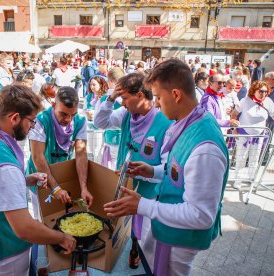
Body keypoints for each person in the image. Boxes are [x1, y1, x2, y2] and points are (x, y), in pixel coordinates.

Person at [103, 58, 229, 276]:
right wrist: (152, 170)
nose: (157, 104)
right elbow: (178, 170)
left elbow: (200, 215)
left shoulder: (205, 148)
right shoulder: (190, 121)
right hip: (168, 225)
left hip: (181, 238)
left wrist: (142, 206)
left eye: (159, 97)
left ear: (176, 95)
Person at [0, 84, 76, 275]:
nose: (32, 126)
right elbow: (24, 228)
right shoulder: (5, 168)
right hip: (7, 248)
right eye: (31, 121)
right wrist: (61, 238)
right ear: (15, 118)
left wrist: (23, 180)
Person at [94, 72, 172, 254]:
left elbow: (167, 169)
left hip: (146, 198)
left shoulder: (165, 124)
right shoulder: (126, 114)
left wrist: (148, 172)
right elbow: (100, 122)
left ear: (140, 96)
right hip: (122, 192)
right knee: (120, 241)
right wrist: (111, 98)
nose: (122, 102)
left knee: (140, 247)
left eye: (124, 98)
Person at [27, 86, 92, 272]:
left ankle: (62, 255)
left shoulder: (80, 120)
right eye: (63, 114)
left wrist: (84, 187)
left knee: (63, 217)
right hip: (39, 178)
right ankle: (47, 260)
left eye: (71, 114)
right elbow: (38, 158)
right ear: (53, 104)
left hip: (60, 174)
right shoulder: (41, 121)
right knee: (44, 220)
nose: (67, 120)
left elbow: (80, 154)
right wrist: (55, 189)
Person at [231, 81, 274, 189]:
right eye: (260, 91)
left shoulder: (268, 102)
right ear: (253, 91)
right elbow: (234, 114)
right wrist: (234, 129)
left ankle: (252, 178)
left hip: (259, 136)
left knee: (255, 158)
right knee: (241, 158)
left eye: (265, 91)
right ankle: (238, 180)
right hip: (244, 134)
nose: (263, 94)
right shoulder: (245, 101)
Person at [93, 67, 125, 169]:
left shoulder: (104, 99)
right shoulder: (127, 97)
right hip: (124, 141)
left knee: (111, 167)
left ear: (110, 81)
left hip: (110, 139)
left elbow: (98, 122)